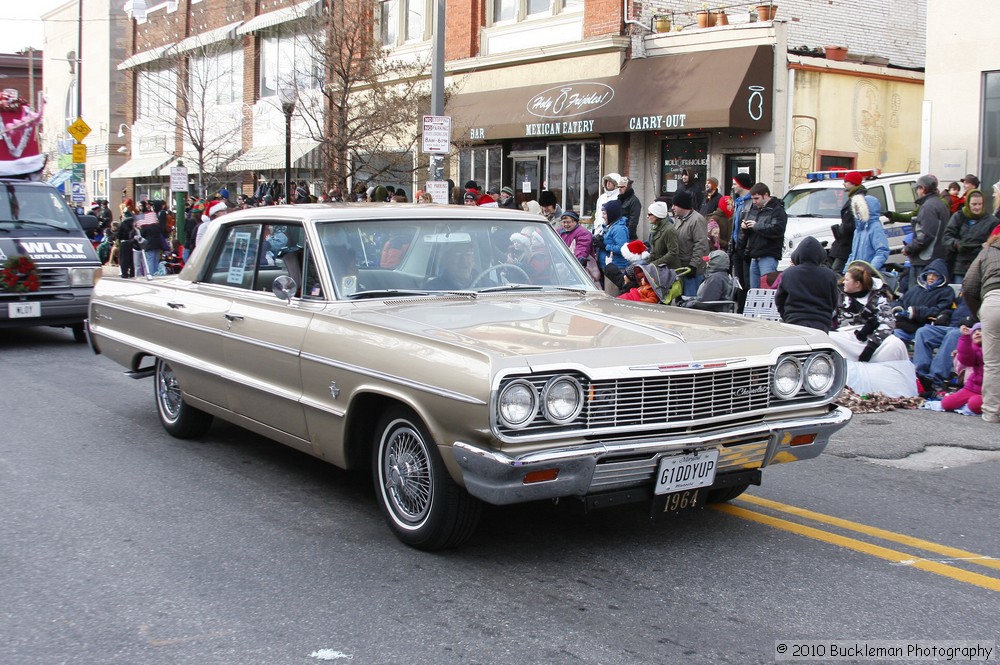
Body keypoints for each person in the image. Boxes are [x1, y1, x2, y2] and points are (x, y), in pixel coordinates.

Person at [830, 262, 907, 363]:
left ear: (857, 284)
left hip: (871, 337)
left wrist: (871, 347)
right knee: (829, 337)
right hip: (845, 336)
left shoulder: (878, 297)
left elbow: (888, 323)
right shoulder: (839, 295)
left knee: (896, 343)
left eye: (847, 280)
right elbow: (827, 313)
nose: (843, 282)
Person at [962, 232, 1000, 422]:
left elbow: (968, 285)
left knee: (993, 364)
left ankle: (992, 412)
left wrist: (979, 313)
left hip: (992, 303)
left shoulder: (987, 251)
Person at [912, 295, 974, 398]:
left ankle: (934, 380)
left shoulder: (989, 293)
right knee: (923, 332)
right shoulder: (966, 292)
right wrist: (944, 314)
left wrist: (970, 321)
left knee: (953, 335)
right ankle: (919, 376)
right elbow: (953, 308)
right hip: (952, 326)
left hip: (973, 329)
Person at [775, 236, 840, 332]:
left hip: (794, 321)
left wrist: (786, 316)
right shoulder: (829, 275)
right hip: (821, 322)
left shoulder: (788, 273)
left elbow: (779, 299)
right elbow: (834, 300)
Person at [903, 174, 951, 291]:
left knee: (917, 295)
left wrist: (909, 249)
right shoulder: (939, 204)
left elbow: (926, 235)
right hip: (936, 258)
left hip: (925, 260)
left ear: (923, 189)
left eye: (917, 188)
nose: (917, 191)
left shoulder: (928, 207)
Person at [891, 258, 955, 343]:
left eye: (935, 275)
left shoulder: (947, 291)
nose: (931, 277)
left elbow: (941, 310)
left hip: (925, 328)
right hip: (906, 326)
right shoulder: (916, 288)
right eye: (929, 274)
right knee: (892, 336)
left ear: (941, 277)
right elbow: (901, 301)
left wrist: (916, 312)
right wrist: (897, 307)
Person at [943, 189, 999, 283]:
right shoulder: (958, 217)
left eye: (980, 204)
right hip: (960, 266)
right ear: (968, 203)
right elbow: (947, 237)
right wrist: (957, 244)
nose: (977, 207)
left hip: (981, 265)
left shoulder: (992, 221)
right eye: (974, 204)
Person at [739, 182, 787, 290]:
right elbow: (750, 231)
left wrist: (756, 226)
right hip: (754, 255)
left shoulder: (778, 211)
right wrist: (745, 227)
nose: (754, 202)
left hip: (768, 255)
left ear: (765, 195)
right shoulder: (754, 209)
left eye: (756, 198)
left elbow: (777, 230)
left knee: (767, 290)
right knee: (753, 291)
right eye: (753, 199)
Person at [939, 323, 984, 415]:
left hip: (989, 391)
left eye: (981, 331)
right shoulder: (974, 349)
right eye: (975, 332)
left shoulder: (992, 349)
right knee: (946, 404)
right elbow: (966, 359)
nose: (977, 333)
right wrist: (965, 338)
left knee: (974, 404)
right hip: (972, 387)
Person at [671, 190, 709, 297]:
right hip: (680, 268)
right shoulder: (678, 219)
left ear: (682, 205)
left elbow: (701, 244)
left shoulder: (697, 220)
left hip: (692, 270)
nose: (672, 208)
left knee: (690, 300)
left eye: (675, 205)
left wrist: (693, 265)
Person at [829, 171, 866, 273]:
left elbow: (858, 222)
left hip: (848, 243)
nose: (843, 183)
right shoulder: (853, 197)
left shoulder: (858, 198)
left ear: (853, 183)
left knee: (837, 271)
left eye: (846, 181)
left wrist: (844, 228)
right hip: (844, 242)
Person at [846, 192, 890, 270]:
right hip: (857, 273)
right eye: (856, 209)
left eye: (859, 208)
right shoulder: (858, 229)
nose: (857, 211)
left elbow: (882, 251)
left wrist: (870, 269)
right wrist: (846, 271)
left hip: (867, 275)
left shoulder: (875, 227)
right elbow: (853, 254)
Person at [598, 199, 630, 296]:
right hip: (608, 267)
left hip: (616, 268)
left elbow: (622, 248)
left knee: (612, 296)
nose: (602, 216)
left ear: (612, 214)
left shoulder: (619, 229)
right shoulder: (610, 226)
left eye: (604, 213)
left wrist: (605, 246)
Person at [729, 173, 754, 296]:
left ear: (742, 185)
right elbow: (735, 227)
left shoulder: (751, 202)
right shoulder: (738, 202)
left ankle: (744, 308)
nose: (733, 186)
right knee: (738, 281)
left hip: (745, 247)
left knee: (746, 281)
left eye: (735, 184)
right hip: (736, 247)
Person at [646, 201, 680, 270]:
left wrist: (654, 264)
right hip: (660, 268)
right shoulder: (656, 228)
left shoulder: (669, 230)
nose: (647, 217)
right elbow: (654, 251)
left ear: (657, 215)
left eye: (649, 214)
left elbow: (673, 253)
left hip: (669, 272)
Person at [617, 175, 642, 241]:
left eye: (622, 187)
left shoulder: (634, 201)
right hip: (618, 234)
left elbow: (633, 222)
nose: (619, 189)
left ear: (627, 187)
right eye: (618, 187)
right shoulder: (619, 199)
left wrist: (626, 235)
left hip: (628, 237)